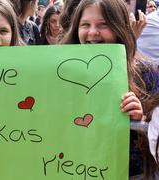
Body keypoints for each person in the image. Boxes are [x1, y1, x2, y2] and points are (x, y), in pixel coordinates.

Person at [61, 0, 159, 178]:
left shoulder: (146, 73)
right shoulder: (61, 71)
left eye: (103, 24)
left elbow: (156, 135)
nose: (92, 32)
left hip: (130, 173)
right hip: (72, 168)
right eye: (85, 25)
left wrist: (142, 120)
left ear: (119, 27)